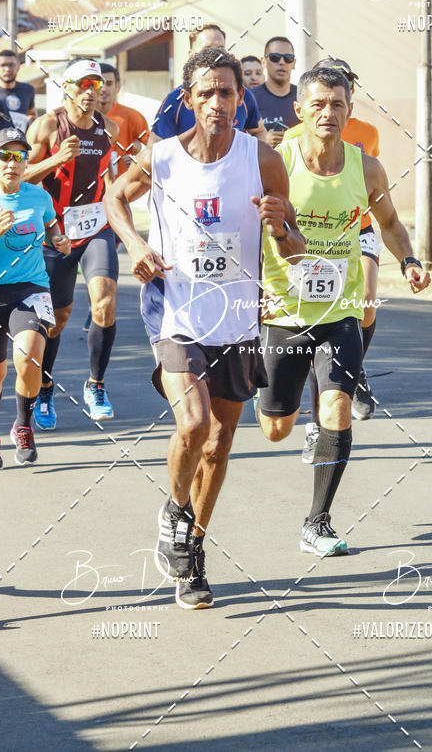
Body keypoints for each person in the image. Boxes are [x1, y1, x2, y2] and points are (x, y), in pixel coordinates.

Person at [104, 47, 304, 609]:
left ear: (242, 99)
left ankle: (192, 554)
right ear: (189, 100)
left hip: (237, 318)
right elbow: (113, 197)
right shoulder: (163, 157)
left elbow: (294, 249)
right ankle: (174, 508)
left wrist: (282, 230)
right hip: (177, 311)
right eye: (207, 93)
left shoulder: (262, 159)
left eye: (228, 92)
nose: (218, 102)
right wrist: (137, 244)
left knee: (218, 446)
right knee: (193, 425)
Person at [256, 67, 430, 557]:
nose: (328, 113)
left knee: (335, 407)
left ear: (350, 110)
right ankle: (269, 400)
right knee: (276, 427)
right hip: (282, 313)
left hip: (339, 311)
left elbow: (390, 222)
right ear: (299, 110)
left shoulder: (366, 167)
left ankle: (318, 521)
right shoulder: (277, 164)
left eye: (337, 104)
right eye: (318, 104)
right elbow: (247, 232)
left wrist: (410, 259)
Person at [284, 58, 382, 462]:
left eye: (344, 91)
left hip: (358, 226)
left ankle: (354, 367)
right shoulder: (295, 135)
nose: (330, 110)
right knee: (319, 322)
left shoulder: (368, 133)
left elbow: (371, 187)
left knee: (367, 303)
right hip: (313, 234)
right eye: (322, 99)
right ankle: (314, 423)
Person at [24, 59, 119, 426]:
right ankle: (45, 388)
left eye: (97, 84)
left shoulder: (108, 128)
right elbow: (20, 176)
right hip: (56, 233)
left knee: (105, 303)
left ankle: (95, 385)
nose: (92, 90)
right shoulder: (48, 125)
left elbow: (109, 179)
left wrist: (120, 221)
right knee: (56, 319)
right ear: (66, 87)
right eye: (83, 84)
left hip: (95, 227)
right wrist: (57, 158)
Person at [0, 127, 70, 470]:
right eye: (5, 156)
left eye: (19, 157)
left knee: (29, 356)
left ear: (26, 161)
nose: (12, 164)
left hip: (32, 287)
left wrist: (59, 240)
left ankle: (24, 425)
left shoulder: (38, 196)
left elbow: (51, 227)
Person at [152, 24, 268, 142]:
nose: (214, 56)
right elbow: (154, 146)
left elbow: (258, 131)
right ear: (191, 55)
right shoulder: (175, 99)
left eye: (220, 49)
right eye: (206, 50)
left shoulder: (243, 95)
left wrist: (255, 156)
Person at [98, 63, 149, 177]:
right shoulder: (83, 118)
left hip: (124, 187)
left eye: (109, 84)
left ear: (117, 86)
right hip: (91, 187)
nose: (103, 89)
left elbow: (155, 149)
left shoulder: (132, 116)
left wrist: (138, 160)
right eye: (99, 84)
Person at [252, 36, 299, 148]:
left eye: (288, 58)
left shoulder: (304, 97)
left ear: (294, 63)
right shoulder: (250, 98)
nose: (282, 62)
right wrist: (261, 139)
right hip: (262, 163)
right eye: (275, 57)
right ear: (263, 62)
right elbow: (237, 138)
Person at [0, 50, 36, 133]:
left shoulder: (28, 89)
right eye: (3, 65)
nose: (7, 69)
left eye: (11, 65)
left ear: (18, 66)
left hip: (21, 142)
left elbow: (31, 114)